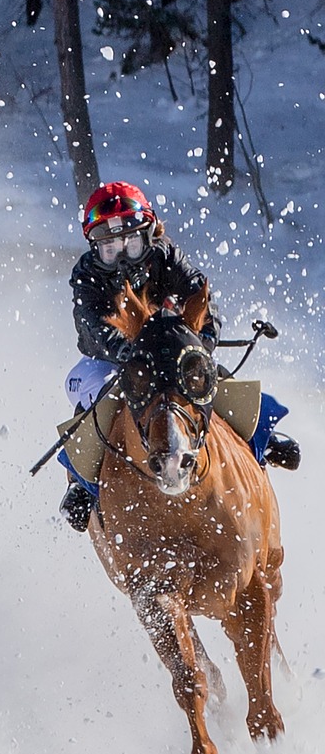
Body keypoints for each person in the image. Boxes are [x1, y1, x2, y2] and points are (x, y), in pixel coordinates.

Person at [57, 180, 298, 530]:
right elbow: (96, 326)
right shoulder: (85, 275)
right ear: (95, 248)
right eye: (110, 248)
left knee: (215, 378)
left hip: (169, 351)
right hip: (107, 361)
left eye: (131, 243)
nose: (122, 255)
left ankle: (262, 436)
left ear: (149, 234)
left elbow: (199, 295)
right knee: (99, 399)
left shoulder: (165, 254)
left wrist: (202, 343)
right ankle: (83, 484)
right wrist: (132, 351)